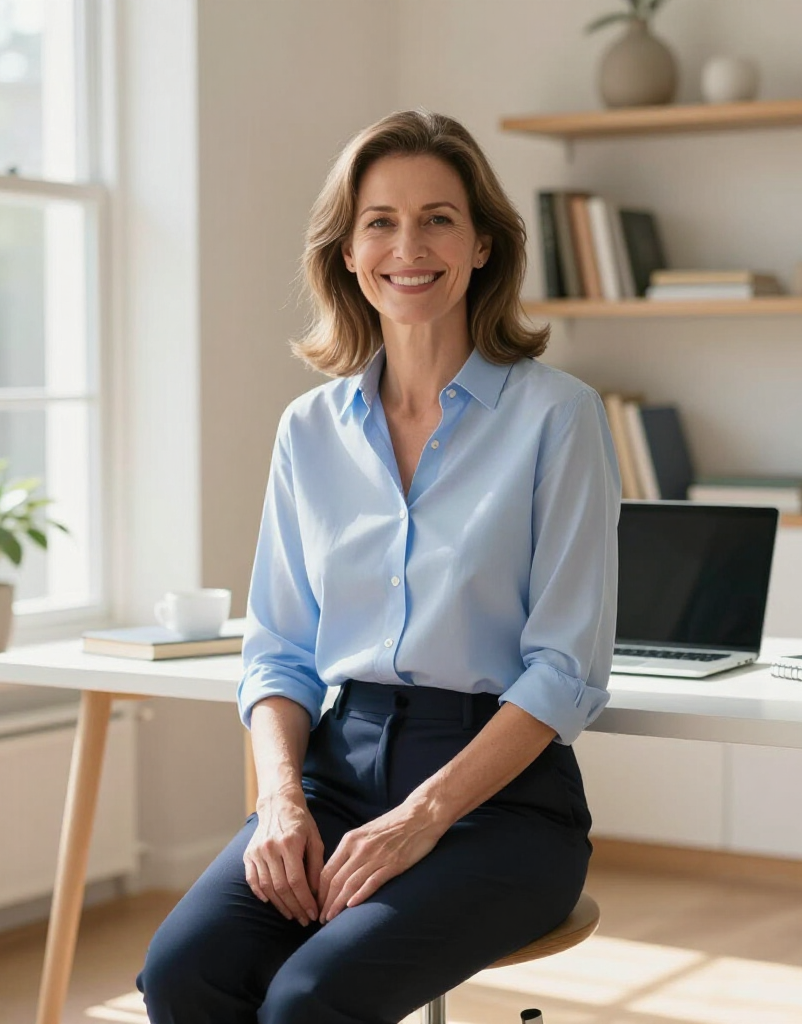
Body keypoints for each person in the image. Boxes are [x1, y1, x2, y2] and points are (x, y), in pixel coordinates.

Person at [137, 109, 620, 1024]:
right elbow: (279, 652)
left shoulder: (559, 417)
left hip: (501, 801)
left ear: (483, 244)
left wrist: (421, 817)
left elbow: (564, 671)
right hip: (336, 771)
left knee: (309, 1000)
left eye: (439, 219)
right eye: (381, 222)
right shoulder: (308, 430)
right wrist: (280, 803)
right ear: (349, 251)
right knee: (184, 974)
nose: (410, 247)